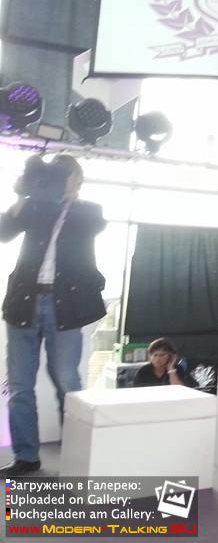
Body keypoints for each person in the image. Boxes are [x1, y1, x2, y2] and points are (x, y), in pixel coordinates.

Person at [0, 154, 107, 476]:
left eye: (65, 173)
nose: (60, 178)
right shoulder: (34, 207)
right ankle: (26, 456)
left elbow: (92, 226)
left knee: (67, 381)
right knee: (20, 385)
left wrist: (60, 197)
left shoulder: (88, 211)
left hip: (65, 308)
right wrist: (23, 196)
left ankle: (76, 452)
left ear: (78, 179)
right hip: (24, 303)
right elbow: (4, 232)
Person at [133, 338, 198, 388]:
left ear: (171, 356)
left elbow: (181, 391)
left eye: (162, 355)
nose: (158, 359)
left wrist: (171, 370)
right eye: (155, 355)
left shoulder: (179, 370)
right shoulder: (144, 371)